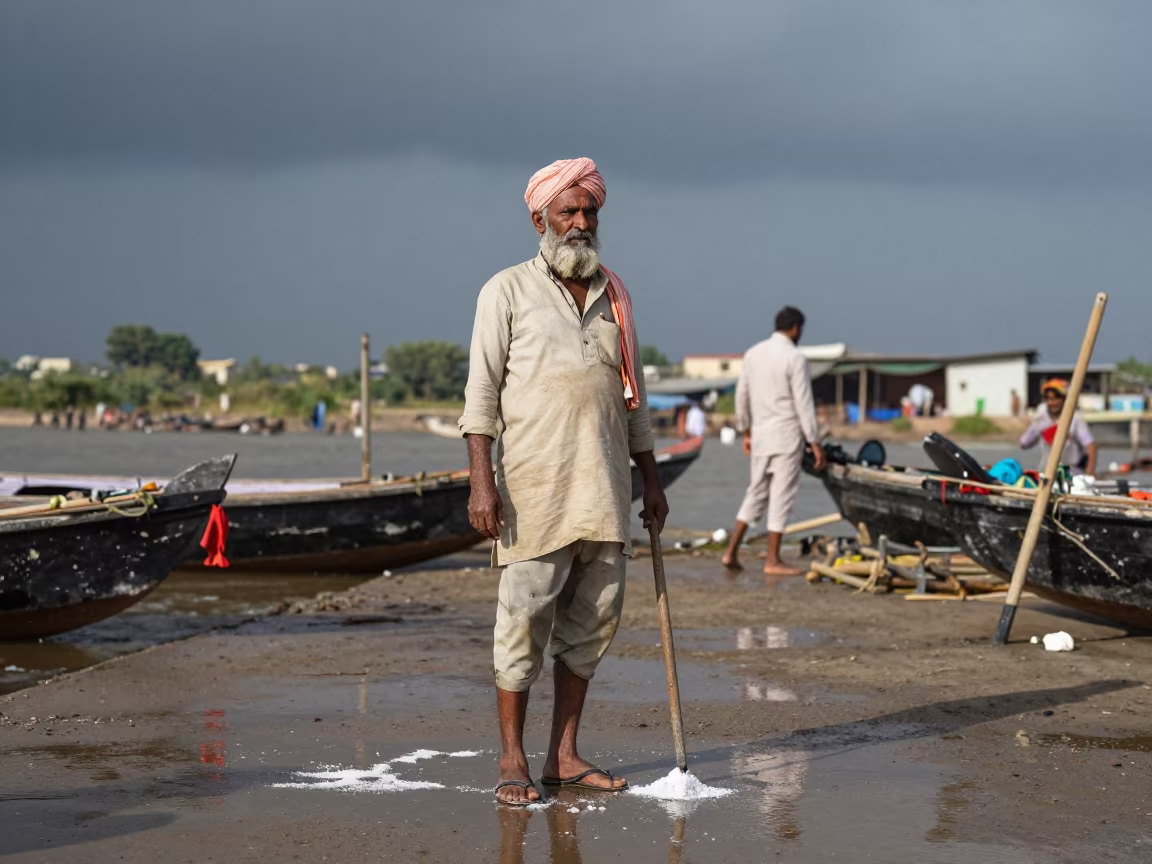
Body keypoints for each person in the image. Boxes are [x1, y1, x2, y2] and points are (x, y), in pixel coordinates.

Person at [459, 157, 668, 807]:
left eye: (589, 213)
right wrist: (481, 484)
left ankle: (564, 756)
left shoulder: (617, 297)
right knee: (522, 622)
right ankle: (513, 758)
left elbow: (632, 400)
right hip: (534, 488)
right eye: (567, 213)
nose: (580, 223)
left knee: (593, 623)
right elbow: (481, 395)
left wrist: (652, 481)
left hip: (604, 490)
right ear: (538, 219)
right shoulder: (506, 291)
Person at [721, 306, 825, 575]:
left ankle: (731, 552)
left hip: (761, 436)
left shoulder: (754, 354)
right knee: (781, 496)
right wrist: (814, 441)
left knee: (755, 492)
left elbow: (741, 394)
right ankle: (773, 560)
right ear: (795, 328)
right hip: (787, 435)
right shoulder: (795, 357)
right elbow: (803, 403)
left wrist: (745, 431)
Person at [1020, 378, 1096, 475]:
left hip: (1072, 472)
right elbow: (1024, 443)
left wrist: (1090, 473)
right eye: (1048, 399)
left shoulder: (1074, 418)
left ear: (1064, 399)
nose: (1052, 403)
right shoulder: (1041, 416)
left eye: (1055, 399)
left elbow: (1090, 445)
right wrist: (1036, 430)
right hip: (1046, 472)